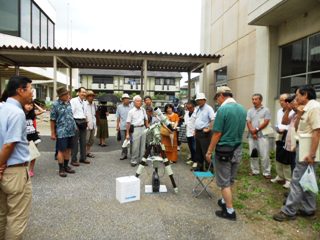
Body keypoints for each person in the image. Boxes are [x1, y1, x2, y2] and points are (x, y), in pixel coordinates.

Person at [273, 85, 320, 221]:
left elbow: (317, 132)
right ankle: (308, 209)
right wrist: (299, 114)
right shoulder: (305, 109)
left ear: (305, 95)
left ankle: (288, 211)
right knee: (307, 181)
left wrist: (311, 154)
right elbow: (297, 127)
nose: (296, 98)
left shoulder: (315, 108)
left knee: (297, 181)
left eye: (298, 95)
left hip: (309, 149)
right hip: (304, 146)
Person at [206, 86, 246, 221]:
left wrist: (209, 150)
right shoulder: (242, 108)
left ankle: (229, 211)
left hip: (224, 149)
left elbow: (217, 133)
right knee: (230, 179)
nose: (217, 101)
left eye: (217, 98)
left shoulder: (223, 110)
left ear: (221, 95)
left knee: (224, 182)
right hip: (238, 148)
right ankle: (224, 201)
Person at [0, 76, 33, 239]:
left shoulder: (2, 108)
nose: (32, 92)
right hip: (14, 171)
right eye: (30, 89)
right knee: (16, 217)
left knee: (2, 214)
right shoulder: (17, 113)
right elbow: (9, 144)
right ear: (21, 90)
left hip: (3, 169)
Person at [50, 87, 77, 177]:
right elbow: (52, 120)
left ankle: (66, 166)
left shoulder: (68, 103)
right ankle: (61, 169)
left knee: (68, 149)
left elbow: (70, 115)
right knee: (61, 150)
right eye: (66, 94)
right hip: (61, 131)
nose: (68, 96)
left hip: (71, 130)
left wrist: (74, 126)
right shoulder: (55, 105)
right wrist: (53, 133)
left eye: (68, 94)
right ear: (61, 96)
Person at [246, 93, 272, 179]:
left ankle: (266, 172)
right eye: (253, 99)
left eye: (256, 99)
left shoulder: (266, 110)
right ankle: (255, 171)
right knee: (253, 154)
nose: (254, 101)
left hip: (262, 136)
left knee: (264, 155)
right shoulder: (250, 111)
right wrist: (253, 132)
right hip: (252, 136)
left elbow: (266, 122)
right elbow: (248, 122)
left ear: (260, 100)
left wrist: (256, 130)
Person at [271, 93, 293, 188]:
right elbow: (278, 123)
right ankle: (280, 176)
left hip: (288, 136)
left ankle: (288, 179)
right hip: (279, 135)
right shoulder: (279, 111)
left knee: (286, 158)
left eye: (284, 100)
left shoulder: (292, 111)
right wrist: (277, 128)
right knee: (278, 156)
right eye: (280, 100)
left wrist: (285, 129)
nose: (282, 102)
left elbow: (292, 125)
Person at [194, 92, 215, 171]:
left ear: (204, 100)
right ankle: (200, 166)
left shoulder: (208, 108)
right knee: (198, 151)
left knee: (205, 151)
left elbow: (213, 119)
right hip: (198, 132)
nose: (198, 101)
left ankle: (209, 168)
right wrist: (195, 131)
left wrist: (209, 128)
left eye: (200, 100)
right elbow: (197, 120)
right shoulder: (198, 109)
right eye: (198, 100)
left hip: (205, 133)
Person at [126, 95, 149, 167]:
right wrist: (127, 133)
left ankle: (142, 160)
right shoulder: (131, 111)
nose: (140, 102)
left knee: (143, 146)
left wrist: (147, 125)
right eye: (138, 101)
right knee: (135, 146)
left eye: (140, 101)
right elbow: (128, 123)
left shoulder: (143, 109)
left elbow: (146, 118)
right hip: (135, 129)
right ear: (134, 102)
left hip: (143, 128)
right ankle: (133, 160)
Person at [70, 87, 89, 166]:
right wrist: (73, 124)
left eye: (85, 92)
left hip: (83, 122)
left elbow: (85, 113)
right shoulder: (73, 101)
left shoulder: (85, 102)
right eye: (82, 92)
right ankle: (73, 160)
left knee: (83, 141)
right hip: (76, 121)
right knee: (75, 142)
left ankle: (83, 158)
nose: (84, 94)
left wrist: (86, 122)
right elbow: (71, 113)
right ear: (78, 93)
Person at [24, 102, 42, 177]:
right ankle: (24, 169)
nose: (29, 107)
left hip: (33, 136)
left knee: (33, 154)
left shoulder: (32, 114)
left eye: (31, 105)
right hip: (24, 136)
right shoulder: (20, 113)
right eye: (28, 104)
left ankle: (31, 169)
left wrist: (35, 104)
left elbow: (42, 111)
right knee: (24, 154)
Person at [116, 93, 132, 160]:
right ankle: (124, 154)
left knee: (131, 141)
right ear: (122, 100)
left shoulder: (132, 107)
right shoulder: (119, 107)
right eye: (125, 99)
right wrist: (117, 126)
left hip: (131, 127)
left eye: (127, 99)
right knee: (123, 142)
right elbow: (118, 117)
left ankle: (132, 154)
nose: (126, 100)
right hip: (122, 126)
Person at [85, 90, 97, 158]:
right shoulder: (84, 104)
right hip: (87, 126)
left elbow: (94, 114)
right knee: (85, 140)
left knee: (91, 140)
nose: (91, 97)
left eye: (92, 96)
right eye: (90, 96)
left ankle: (88, 152)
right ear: (87, 97)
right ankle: (83, 153)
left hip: (93, 124)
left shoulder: (93, 105)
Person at [184, 100, 196, 166]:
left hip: (194, 133)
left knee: (195, 148)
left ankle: (196, 161)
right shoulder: (186, 113)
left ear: (193, 106)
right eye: (187, 108)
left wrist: (195, 131)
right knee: (191, 147)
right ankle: (192, 159)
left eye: (190, 108)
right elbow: (186, 123)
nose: (189, 109)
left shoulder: (197, 112)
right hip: (188, 132)